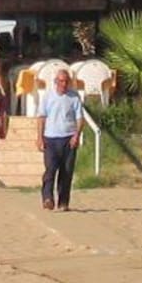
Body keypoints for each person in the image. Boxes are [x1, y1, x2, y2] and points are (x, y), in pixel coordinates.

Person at [36, 67, 85, 211]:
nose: (64, 84)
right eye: (61, 81)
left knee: (66, 172)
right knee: (50, 169)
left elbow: (80, 118)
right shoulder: (48, 96)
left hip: (68, 138)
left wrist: (76, 135)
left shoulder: (74, 97)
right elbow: (41, 117)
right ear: (56, 81)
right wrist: (39, 137)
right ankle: (47, 198)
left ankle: (63, 202)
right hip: (51, 138)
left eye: (66, 81)